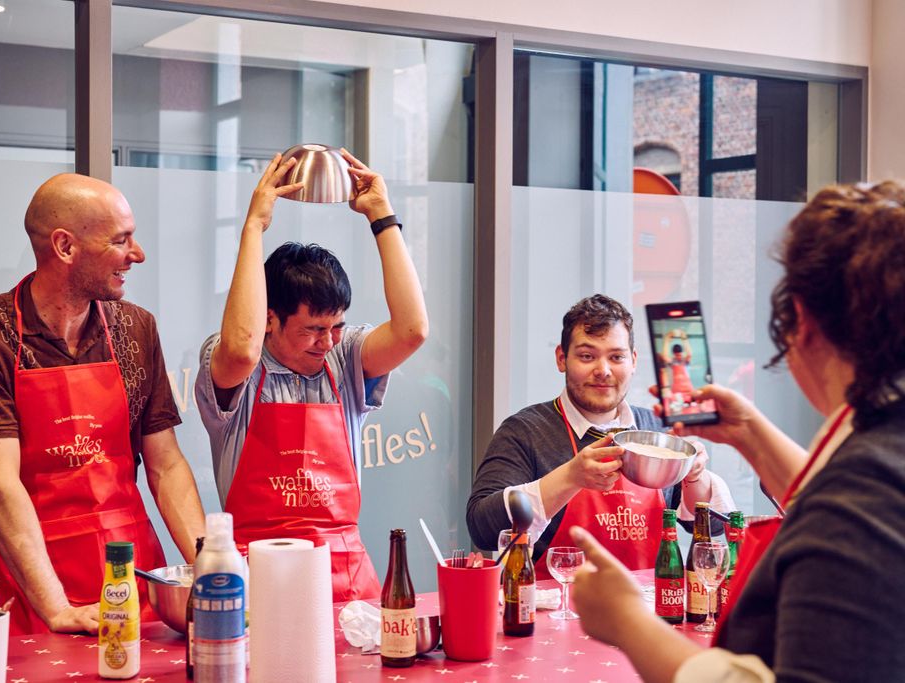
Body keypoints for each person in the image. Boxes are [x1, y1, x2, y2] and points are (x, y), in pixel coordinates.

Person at [568, 181, 905, 682]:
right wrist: (748, 433)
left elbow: (842, 506)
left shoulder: (861, 492)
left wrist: (629, 623)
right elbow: (828, 498)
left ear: (802, 323)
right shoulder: (880, 450)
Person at [0, 174, 206, 635]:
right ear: (65, 246)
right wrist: (58, 610)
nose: (137, 254)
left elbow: (166, 465)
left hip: (129, 575)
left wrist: (211, 567)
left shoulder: (136, 329)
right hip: (32, 587)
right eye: (121, 240)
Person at [194, 150, 427, 601]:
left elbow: (413, 330)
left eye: (337, 325)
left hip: (347, 580)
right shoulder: (237, 363)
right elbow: (241, 348)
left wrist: (382, 217)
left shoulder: (347, 361)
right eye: (313, 330)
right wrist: (253, 227)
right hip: (256, 578)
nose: (329, 341)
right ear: (270, 319)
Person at [467, 294, 734, 575]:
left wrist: (695, 475)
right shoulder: (525, 431)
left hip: (646, 613)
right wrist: (570, 477)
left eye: (616, 357)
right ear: (562, 358)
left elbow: (713, 527)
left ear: (632, 361)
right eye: (587, 356)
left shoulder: (656, 431)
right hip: (558, 610)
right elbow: (482, 527)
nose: (603, 370)